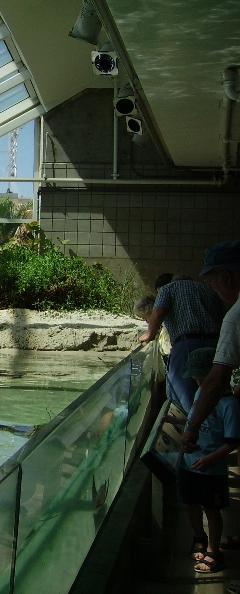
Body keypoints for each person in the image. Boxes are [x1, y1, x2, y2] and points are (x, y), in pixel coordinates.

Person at [165, 347, 240, 573]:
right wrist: (175, 421)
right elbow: (192, 422)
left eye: (202, 379)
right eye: (196, 380)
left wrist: (211, 459)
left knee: (212, 509)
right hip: (189, 464)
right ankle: (199, 536)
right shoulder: (200, 394)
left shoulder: (230, 405)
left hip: (211, 470)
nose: (199, 384)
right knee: (191, 504)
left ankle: (214, 551)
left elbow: (233, 441)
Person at [182, 240, 240, 449]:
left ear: (225, 277)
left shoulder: (236, 315)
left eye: (211, 281)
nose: (212, 288)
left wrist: (192, 428)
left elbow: (216, 380)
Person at [139, 273, 225, 412]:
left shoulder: (168, 289)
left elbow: (159, 313)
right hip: (214, 345)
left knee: (179, 392)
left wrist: (150, 334)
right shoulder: (208, 290)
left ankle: (190, 426)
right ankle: (214, 425)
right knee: (214, 390)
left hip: (186, 344)